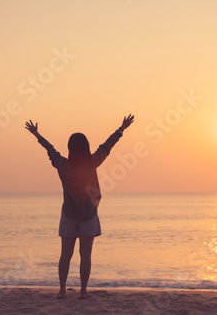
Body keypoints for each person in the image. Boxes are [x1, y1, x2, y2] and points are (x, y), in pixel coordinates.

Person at [25, 114, 135, 299]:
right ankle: (83, 292)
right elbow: (107, 146)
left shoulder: (63, 165)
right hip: (89, 216)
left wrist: (37, 134)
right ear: (86, 147)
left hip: (68, 215)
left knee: (65, 255)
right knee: (86, 256)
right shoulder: (92, 162)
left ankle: (62, 291)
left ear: (70, 148)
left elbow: (50, 149)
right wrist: (121, 128)